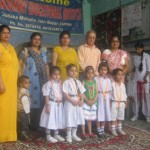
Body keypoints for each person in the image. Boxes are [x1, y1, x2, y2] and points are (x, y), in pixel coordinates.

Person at [18, 32, 49, 131]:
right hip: (28, 82)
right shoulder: (25, 51)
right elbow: (19, 64)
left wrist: (47, 80)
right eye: (35, 39)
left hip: (41, 82)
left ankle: (37, 124)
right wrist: (19, 78)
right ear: (31, 40)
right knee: (27, 102)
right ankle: (26, 126)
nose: (37, 41)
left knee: (40, 102)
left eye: (39, 39)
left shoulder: (43, 52)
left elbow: (46, 66)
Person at [0, 25, 19, 142]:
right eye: (3, 33)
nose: (6, 35)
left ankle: (9, 135)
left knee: (10, 110)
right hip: (2, 83)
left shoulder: (11, 48)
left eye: (8, 33)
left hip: (12, 85)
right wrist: (1, 83)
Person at [40, 66, 65, 143]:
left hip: (58, 104)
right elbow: (46, 95)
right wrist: (47, 105)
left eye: (58, 74)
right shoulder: (48, 84)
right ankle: (48, 135)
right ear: (50, 75)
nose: (57, 76)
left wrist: (61, 86)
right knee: (49, 119)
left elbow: (62, 93)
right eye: (55, 74)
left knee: (57, 119)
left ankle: (56, 134)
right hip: (51, 103)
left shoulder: (59, 84)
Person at [63, 64, 86, 143]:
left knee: (76, 118)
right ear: (67, 72)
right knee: (70, 118)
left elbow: (82, 92)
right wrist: (71, 100)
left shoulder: (78, 82)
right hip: (70, 102)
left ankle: (74, 134)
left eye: (75, 71)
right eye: (71, 71)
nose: (74, 72)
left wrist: (82, 100)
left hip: (78, 101)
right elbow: (65, 94)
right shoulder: (66, 82)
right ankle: (68, 135)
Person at [130, 42, 150, 122]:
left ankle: (148, 116)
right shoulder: (134, 57)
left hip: (145, 81)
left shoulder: (147, 57)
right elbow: (135, 68)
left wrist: (145, 77)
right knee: (135, 98)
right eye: (136, 49)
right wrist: (129, 72)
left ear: (142, 48)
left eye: (139, 49)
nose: (137, 50)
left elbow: (148, 70)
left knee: (146, 98)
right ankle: (135, 114)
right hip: (136, 80)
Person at [95, 62, 112, 138]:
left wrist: (110, 100)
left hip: (106, 97)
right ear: (99, 70)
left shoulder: (108, 80)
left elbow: (110, 90)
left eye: (105, 70)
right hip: (99, 97)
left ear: (107, 71)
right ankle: (98, 129)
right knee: (99, 113)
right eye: (101, 69)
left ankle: (102, 128)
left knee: (105, 113)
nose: (103, 71)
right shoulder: (96, 78)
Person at [81, 66, 98, 139]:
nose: (90, 75)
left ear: (94, 74)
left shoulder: (95, 82)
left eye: (92, 73)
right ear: (85, 74)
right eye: (88, 73)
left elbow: (97, 93)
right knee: (83, 118)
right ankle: (83, 132)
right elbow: (82, 92)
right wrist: (87, 101)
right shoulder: (84, 82)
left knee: (89, 119)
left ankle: (90, 132)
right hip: (86, 103)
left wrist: (94, 101)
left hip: (93, 103)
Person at [111, 68, 127, 136]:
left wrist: (125, 102)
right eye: (118, 75)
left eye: (122, 75)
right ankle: (113, 129)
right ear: (114, 76)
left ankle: (119, 129)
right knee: (113, 117)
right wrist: (110, 102)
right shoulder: (112, 84)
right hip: (114, 102)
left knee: (120, 117)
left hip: (121, 102)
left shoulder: (123, 85)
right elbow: (110, 94)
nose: (120, 76)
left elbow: (124, 94)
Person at [17, 75, 31, 140]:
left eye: (29, 82)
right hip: (23, 110)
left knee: (21, 122)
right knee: (24, 122)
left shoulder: (21, 90)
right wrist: (28, 112)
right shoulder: (23, 91)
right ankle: (23, 134)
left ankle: (21, 133)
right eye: (26, 83)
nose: (28, 84)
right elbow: (25, 102)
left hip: (20, 110)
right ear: (20, 84)